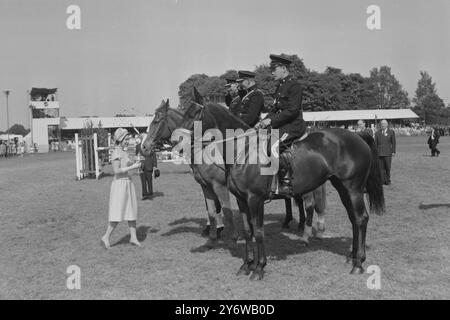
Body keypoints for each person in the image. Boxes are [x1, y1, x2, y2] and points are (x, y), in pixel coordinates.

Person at [255, 54, 306, 195]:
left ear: (283, 69)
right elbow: (274, 109)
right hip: (282, 125)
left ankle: (285, 183)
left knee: (273, 146)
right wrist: (263, 122)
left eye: (274, 69)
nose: (272, 72)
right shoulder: (280, 87)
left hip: (293, 126)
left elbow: (292, 111)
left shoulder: (295, 86)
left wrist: (271, 120)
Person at [101, 128, 143, 249]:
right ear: (120, 139)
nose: (128, 141)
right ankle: (106, 236)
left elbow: (127, 165)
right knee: (118, 212)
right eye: (126, 139)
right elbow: (116, 171)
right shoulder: (116, 153)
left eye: (128, 138)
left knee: (132, 210)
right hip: (119, 185)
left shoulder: (124, 152)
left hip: (128, 183)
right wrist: (133, 166)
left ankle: (133, 237)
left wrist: (136, 163)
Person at [135, 135, 159, 200]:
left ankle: (150, 193)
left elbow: (154, 156)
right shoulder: (137, 146)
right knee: (143, 181)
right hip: (141, 166)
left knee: (149, 180)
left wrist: (155, 166)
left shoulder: (151, 145)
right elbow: (136, 156)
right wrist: (137, 164)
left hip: (149, 165)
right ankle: (144, 194)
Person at [375, 119, 396, 185]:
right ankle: (381, 181)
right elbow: (375, 144)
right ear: (380, 125)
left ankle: (387, 181)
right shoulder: (377, 133)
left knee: (387, 167)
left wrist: (393, 151)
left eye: (384, 124)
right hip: (379, 153)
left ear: (387, 125)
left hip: (388, 153)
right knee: (380, 168)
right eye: (382, 124)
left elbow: (394, 142)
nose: (383, 125)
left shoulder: (391, 132)